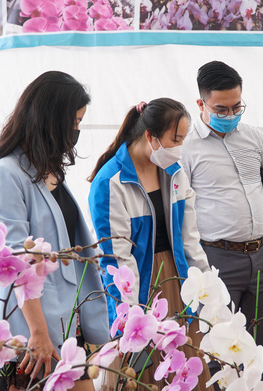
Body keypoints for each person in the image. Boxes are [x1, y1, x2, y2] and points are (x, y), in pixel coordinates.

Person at [0, 71, 109, 391]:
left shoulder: (48, 170)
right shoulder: (5, 174)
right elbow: (13, 260)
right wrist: (38, 331)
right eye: (74, 122)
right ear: (50, 120)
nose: (76, 131)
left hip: (64, 317)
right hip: (30, 326)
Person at [181, 61, 263, 378]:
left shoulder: (253, 137)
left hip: (260, 257)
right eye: (221, 109)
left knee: (257, 349)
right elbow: (179, 211)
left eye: (237, 107)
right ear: (201, 104)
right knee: (218, 349)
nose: (230, 115)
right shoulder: (187, 147)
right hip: (216, 260)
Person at [88, 98, 212, 389]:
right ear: (150, 136)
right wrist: (129, 317)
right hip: (142, 286)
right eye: (176, 139)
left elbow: (190, 239)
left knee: (184, 369)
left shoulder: (174, 172)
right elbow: (116, 260)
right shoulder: (112, 182)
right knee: (146, 373)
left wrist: (205, 289)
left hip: (177, 278)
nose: (180, 147)